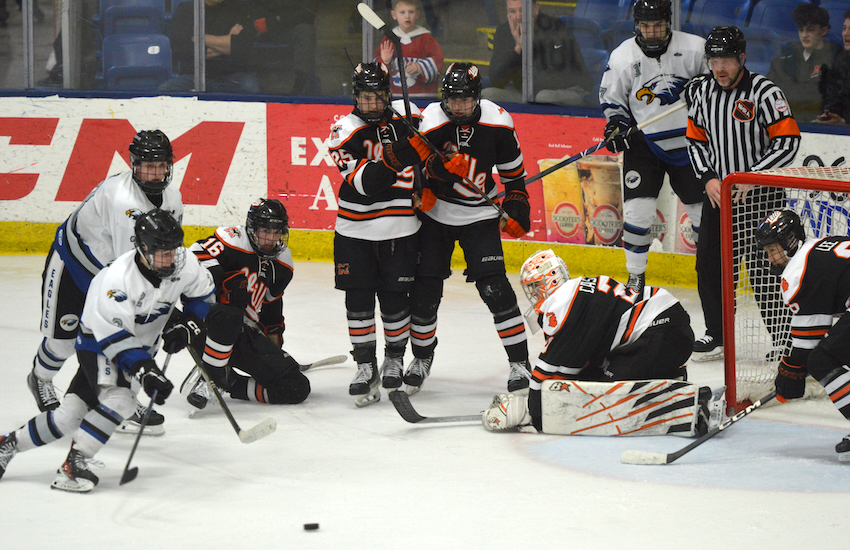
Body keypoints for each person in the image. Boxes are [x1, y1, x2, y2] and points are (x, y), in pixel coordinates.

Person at [0, 209, 215, 492]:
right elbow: (115, 338)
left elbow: (203, 296)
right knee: (122, 400)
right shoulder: (116, 279)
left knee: (70, 416)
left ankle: (8, 444)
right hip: (100, 344)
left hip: (140, 348)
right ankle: (74, 465)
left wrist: (188, 325)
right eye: (163, 252)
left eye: (174, 250)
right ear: (143, 249)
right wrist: (145, 370)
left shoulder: (183, 263)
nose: (171, 258)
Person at [29, 129, 180, 434]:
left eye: (160, 165)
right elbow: (133, 268)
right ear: (134, 165)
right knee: (64, 342)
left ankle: (121, 397)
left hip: (110, 272)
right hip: (75, 265)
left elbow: (164, 254)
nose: (154, 173)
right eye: (147, 166)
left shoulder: (173, 198)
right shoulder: (123, 200)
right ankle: (41, 378)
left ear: (169, 165)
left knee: (132, 332)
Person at [480, 249, 707, 435]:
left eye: (535, 287)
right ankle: (670, 379)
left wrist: (529, 412)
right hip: (667, 331)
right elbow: (578, 364)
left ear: (550, 281)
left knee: (604, 393)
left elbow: (548, 371)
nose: (534, 295)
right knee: (597, 376)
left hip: (659, 333)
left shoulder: (563, 302)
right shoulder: (579, 291)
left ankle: (689, 407)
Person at [409, 62, 532, 395]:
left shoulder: (499, 123)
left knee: (495, 289)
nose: (458, 107)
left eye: (464, 100)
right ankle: (421, 358)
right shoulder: (431, 120)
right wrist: (438, 174)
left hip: (480, 215)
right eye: (452, 100)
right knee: (424, 292)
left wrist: (516, 208)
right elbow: (418, 168)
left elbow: (514, 179)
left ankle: (520, 363)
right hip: (438, 216)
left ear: (477, 97)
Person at [686, 26, 800, 360]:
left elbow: (788, 141)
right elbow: (695, 140)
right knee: (710, 267)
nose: (719, 67)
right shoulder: (703, 92)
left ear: (742, 58)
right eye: (714, 59)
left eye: (726, 60)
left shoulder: (766, 92)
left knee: (765, 269)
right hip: (719, 198)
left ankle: (784, 340)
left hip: (762, 199)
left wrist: (753, 176)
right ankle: (717, 334)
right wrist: (707, 178)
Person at [327, 62, 430, 407]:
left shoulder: (410, 117)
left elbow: (433, 159)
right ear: (355, 97)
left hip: (401, 229)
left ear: (388, 94)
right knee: (357, 302)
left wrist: (429, 178)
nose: (372, 104)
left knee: (395, 300)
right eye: (365, 98)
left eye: (378, 97)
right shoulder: (343, 129)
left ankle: (395, 358)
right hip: (354, 230)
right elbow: (367, 184)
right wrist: (405, 150)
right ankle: (365, 364)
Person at [600, 0, 707, 294]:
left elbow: (719, 86)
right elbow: (613, 101)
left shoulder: (696, 49)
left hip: (691, 144)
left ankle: (711, 273)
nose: (651, 32)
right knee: (638, 213)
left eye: (657, 25)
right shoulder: (623, 57)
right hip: (644, 143)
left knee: (701, 216)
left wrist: (706, 89)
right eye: (645, 26)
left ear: (668, 22)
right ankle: (635, 277)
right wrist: (616, 125)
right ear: (636, 24)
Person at [184, 198, 311, 408]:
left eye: (276, 232)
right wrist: (224, 281)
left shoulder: (283, 263)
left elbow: (272, 307)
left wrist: (274, 343)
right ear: (252, 229)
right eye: (265, 231)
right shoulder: (232, 239)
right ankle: (212, 375)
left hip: (244, 335)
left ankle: (229, 381)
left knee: (296, 387)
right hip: (208, 328)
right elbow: (194, 253)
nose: (271, 239)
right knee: (229, 314)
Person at [755, 209, 850, 462]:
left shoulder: (798, 272)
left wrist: (790, 372)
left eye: (773, 250)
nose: (770, 259)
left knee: (821, 361)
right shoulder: (821, 246)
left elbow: (808, 344)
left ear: (790, 242)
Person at [160, 0, 317, 95]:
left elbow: (241, 48)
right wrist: (226, 42)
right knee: (163, 92)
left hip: (232, 77)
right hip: (192, 78)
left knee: (252, 88)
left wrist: (197, 38)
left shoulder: (239, 10)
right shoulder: (186, 9)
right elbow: (180, 47)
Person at [483, 0, 592, 106]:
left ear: (535, 9)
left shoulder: (556, 28)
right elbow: (496, 80)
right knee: (488, 94)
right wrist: (518, 48)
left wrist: (532, 43)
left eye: (522, 10)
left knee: (544, 97)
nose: (518, 16)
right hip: (526, 94)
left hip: (567, 90)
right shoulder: (503, 31)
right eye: (512, 11)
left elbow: (559, 77)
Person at [767, 3, 841, 123]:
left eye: (810, 30)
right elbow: (767, 94)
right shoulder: (782, 60)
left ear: (824, 31)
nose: (804, 35)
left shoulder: (836, 59)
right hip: (783, 124)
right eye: (801, 30)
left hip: (819, 128)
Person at [374, 0, 444, 97]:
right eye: (402, 12)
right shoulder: (389, 39)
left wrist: (420, 67)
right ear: (394, 15)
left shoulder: (426, 38)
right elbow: (375, 69)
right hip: (395, 96)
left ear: (417, 15)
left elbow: (438, 60)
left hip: (423, 97)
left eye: (411, 12)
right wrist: (384, 61)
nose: (407, 16)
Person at [817, 10, 850, 125]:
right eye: (844, 28)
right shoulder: (840, 60)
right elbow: (833, 96)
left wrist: (845, 122)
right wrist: (829, 114)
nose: (846, 33)